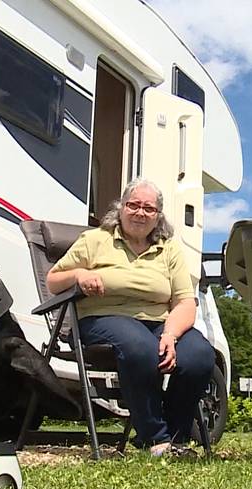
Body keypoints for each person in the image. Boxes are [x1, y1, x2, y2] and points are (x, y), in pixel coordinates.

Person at [47, 178, 215, 456]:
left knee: (200, 355)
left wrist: (170, 335)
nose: (140, 212)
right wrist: (79, 274)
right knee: (141, 349)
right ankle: (157, 439)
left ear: (158, 216)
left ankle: (174, 438)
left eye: (149, 208)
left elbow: (185, 302)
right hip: (103, 318)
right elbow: (53, 281)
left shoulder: (169, 248)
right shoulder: (95, 240)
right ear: (121, 208)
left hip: (160, 322)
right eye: (133, 205)